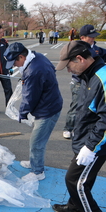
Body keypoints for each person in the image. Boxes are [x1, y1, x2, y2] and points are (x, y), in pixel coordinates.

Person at [53, 40, 106, 212]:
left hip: (96, 143)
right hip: (85, 137)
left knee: (75, 182)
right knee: (83, 179)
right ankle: (73, 207)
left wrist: (90, 147)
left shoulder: (102, 78)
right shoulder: (88, 74)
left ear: (80, 59)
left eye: (69, 66)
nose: (68, 70)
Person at [4, 42, 63, 181]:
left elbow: (29, 97)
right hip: (50, 103)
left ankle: (37, 172)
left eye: (15, 62)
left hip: (47, 110)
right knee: (36, 139)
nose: (15, 66)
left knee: (37, 142)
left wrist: (22, 114)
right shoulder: (38, 57)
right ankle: (34, 162)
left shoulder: (34, 70)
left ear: (21, 57)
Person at [62, 24, 106, 139]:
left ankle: (83, 130)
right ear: (82, 37)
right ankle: (68, 127)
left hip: (92, 83)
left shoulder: (96, 49)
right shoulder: (76, 48)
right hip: (78, 82)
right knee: (77, 106)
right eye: (90, 36)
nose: (93, 38)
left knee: (90, 108)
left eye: (94, 36)